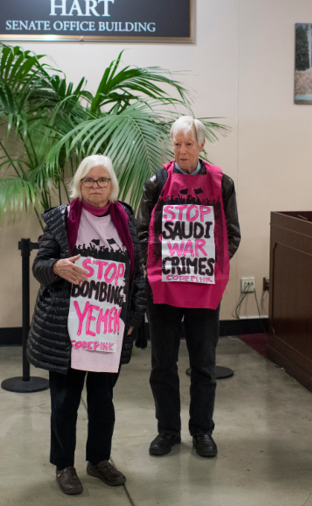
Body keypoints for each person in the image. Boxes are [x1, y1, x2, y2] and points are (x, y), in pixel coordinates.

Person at [27, 155, 146, 495]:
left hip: (108, 328)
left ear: (113, 185)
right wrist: (57, 267)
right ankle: (64, 465)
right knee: (64, 401)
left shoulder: (124, 219)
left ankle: (99, 459)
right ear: (78, 185)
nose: (96, 186)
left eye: (103, 180)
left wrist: (134, 319)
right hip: (67, 330)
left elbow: (136, 274)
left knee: (102, 399)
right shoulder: (62, 221)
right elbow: (40, 265)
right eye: (89, 181)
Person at [136, 116, 241, 459]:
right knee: (162, 364)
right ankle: (167, 431)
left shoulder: (222, 183)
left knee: (204, 365)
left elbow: (231, 234)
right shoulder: (156, 182)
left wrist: (208, 268)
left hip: (203, 289)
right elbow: (141, 232)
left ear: (202, 145)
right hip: (164, 290)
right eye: (177, 143)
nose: (182, 150)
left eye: (188, 144)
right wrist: (154, 273)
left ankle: (202, 432)